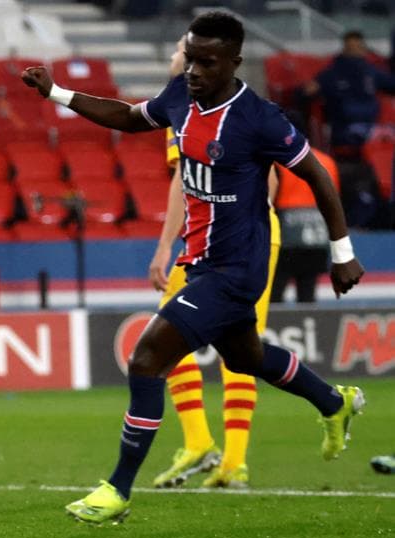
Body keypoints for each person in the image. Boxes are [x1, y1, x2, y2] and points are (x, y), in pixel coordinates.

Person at [22, 11, 366, 524]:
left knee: (145, 359)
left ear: (234, 62)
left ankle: (117, 490)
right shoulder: (180, 98)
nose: (194, 70)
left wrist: (342, 254)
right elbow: (127, 117)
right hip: (199, 261)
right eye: (191, 58)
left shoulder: (260, 119)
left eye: (207, 62)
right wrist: (57, 93)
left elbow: (317, 177)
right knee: (247, 357)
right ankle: (332, 402)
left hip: (237, 269)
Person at [148, 37, 282, 490]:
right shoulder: (195, 106)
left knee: (181, 340)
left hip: (231, 239)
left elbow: (185, 185)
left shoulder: (204, 107)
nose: (170, 60)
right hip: (222, 236)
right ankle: (220, 455)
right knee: (228, 345)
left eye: (173, 53)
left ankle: (213, 450)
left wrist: (166, 246)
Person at [301, 30, 395, 228]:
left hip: (373, 134)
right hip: (346, 138)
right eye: (350, 48)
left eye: (357, 48)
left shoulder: (370, 72)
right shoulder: (332, 74)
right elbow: (305, 93)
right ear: (344, 48)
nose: (354, 52)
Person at [270, 148, 339, 303]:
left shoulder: (278, 162)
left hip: (286, 234)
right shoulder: (327, 161)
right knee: (308, 292)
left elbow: (269, 198)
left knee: (275, 291)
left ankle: (275, 327)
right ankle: (308, 325)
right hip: (317, 235)